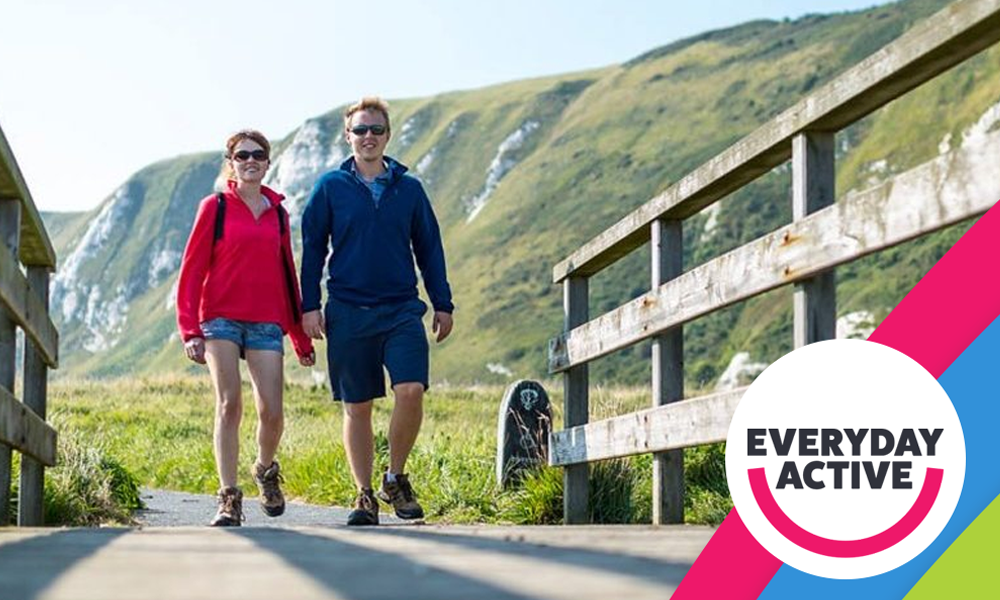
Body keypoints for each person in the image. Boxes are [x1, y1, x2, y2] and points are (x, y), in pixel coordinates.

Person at [300, 97, 454, 526]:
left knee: (410, 391)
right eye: (360, 130)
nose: (368, 137)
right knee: (358, 405)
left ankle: (396, 477)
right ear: (348, 136)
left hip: (402, 308)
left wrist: (442, 302)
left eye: (376, 130)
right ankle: (364, 494)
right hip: (347, 310)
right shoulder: (330, 187)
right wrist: (309, 306)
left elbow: (429, 249)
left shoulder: (409, 189)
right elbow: (312, 249)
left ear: (388, 135)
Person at [176, 130, 315, 526]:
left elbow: (287, 275)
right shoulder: (215, 206)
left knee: (272, 411)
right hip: (219, 317)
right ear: (231, 162)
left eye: (258, 155)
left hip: (267, 319)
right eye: (242, 155)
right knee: (229, 403)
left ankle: (265, 469)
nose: (250, 161)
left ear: (268, 163)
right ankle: (228, 498)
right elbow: (191, 272)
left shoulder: (279, 214)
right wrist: (190, 330)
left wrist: (299, 336)